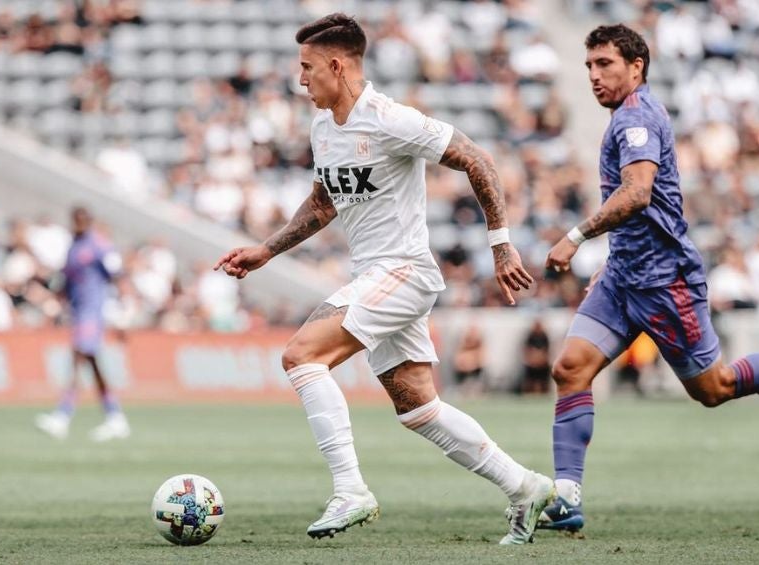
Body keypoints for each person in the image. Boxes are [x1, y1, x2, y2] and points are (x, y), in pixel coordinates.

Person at [215, 13, 554, 546]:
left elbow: (477, 159)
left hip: (404, 271)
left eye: (306, 68)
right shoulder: (324, 126)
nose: (300, 79)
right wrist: (267, 250)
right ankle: (526, 487)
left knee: (301, 356)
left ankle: (350, 490)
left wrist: (500, 242)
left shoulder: (390, 118)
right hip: (375, 276)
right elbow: (324, 203)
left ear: (337, 64)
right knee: (418, 407)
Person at [540, 24, 759, 533]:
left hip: (664, 282)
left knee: (713, 388)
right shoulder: (623, 117)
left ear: (637, 67)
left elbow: (637, 194)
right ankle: (565, 499)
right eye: (588, 66)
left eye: (605, 64)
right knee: (569, 369)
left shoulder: (638, 118)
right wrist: (611, 263)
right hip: (624, 276)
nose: (593, 75)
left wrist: (576, 236)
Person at [35, 207, 130, 441]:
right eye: (77, 220)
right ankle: (115, 416)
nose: (80, 224)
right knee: (92, 362)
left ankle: (63, 415)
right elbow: (66, 281)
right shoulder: (73, 248)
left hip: (93, 310)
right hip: (78, 312)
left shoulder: (99, 245)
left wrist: (124, 309)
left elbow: (117, 274)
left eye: (84, 220)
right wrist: (53, 302)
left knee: (78, 357)